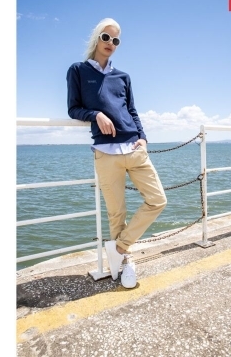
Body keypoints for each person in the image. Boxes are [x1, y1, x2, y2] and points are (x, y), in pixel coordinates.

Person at [66, 18, 167, 288]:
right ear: (96, 38)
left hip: (134, 147)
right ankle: (124, 264)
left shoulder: (123, 77)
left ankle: (120, 248)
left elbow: (132, 110)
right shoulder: (77, 70)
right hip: (106, 153)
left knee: (157, 200)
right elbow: (73, 108)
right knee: (116, 214)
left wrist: (143, 137)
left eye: (116, 40)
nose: (110, 43)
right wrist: (95, 114)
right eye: (106, 37)